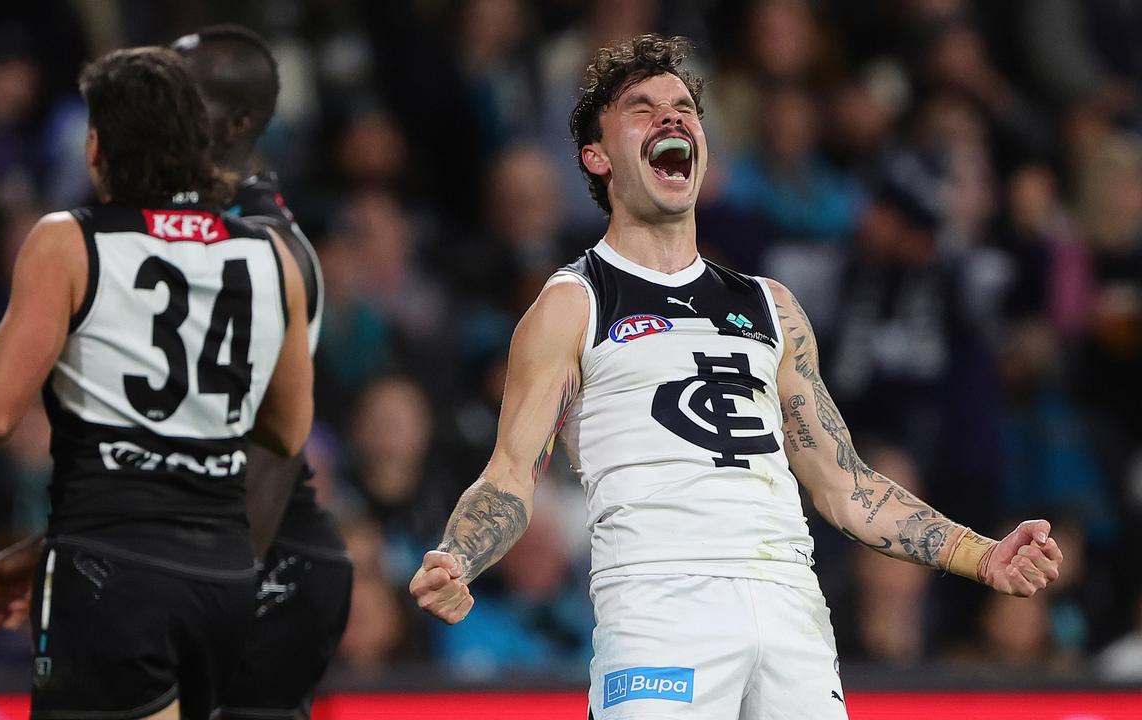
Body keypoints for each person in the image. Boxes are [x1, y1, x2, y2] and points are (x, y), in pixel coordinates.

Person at [408, 34, 1065, 719]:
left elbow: (847, 485)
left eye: (684, 106)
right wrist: (459, 556)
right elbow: (512, 472)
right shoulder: (574, 303)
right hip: (658, 610)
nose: (671, 117)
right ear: (596, 156)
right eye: (641, 107)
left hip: (791, 611)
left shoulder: (771, 306)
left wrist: (981, 554)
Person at [0, 46, 313, 720]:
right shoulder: (273, 254)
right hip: (223, 582)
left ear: (96, 147)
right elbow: (287, 428)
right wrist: (51, 549)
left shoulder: (70, 242)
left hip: (110, 577)